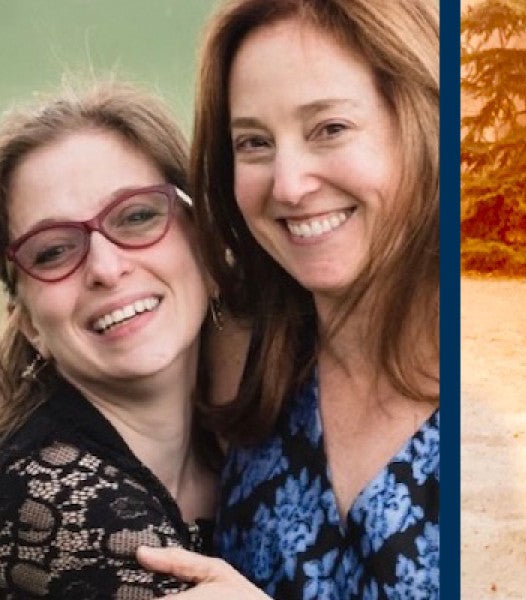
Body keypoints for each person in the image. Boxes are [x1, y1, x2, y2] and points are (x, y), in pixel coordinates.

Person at [137, 0, 440, 597]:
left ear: (420, 122)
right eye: (253, 142)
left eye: (329, 129)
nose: (289, 184)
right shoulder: (238, 355)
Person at [0, 82, 220, 597]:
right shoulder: (49, 499)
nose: (106, 267)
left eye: (138, 216)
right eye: (52, 251)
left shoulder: (254, 441)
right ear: (30, 323)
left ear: (206, 245)